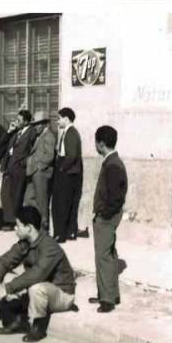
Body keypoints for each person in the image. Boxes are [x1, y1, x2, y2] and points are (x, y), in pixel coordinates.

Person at [0, 206, 77, 342]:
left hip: (62, 294)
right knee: (10, 280)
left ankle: (38, 327)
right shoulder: (26, 243)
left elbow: (37, 274)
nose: (15, 229)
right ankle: (20, 321)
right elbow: (5, 260)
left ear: (28, 228)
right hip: (43, 289)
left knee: (36, 288)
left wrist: (7, 289)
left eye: (18, 226)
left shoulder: (49, 246)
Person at [89, 126, 128, 313]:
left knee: (103, 256)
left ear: (101, 144)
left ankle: (107, 300)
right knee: (110, 255)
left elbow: (116, 197)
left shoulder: (113, 164)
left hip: (107, 218)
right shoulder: (112, 161)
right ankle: (110, 293)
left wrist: (104, 214)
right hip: (108, 216)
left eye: (96, 142)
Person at [0, 110, 36, 231]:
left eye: (19, 120)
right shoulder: (16, 132)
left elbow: (33, 150)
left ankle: (12, 221)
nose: (17, 122)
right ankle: (8, 219)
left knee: (16, 195)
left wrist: (24, 162)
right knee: (5, 194)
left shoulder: (31, 132)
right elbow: (2, 142)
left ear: (26, 121)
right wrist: (9, 131)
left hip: (19, 168)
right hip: (9, 166)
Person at [51, 107, 83, 243]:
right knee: (69, 203)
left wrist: (62, 168)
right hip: (71, 172)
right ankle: (70, 232)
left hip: (67, 173)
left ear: (66, 119)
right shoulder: (69, 132)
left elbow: (71, 156)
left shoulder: (70, 133)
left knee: (61, 203)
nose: (57, 122)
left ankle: (61, 234)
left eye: (59, 119)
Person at [23, 111, 57, 232]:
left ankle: (44, 229)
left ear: (44, 124)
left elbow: (50, 156)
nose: (35, 127)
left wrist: (38, 167)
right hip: (33, 173)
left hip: (41, 174)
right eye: (34, 124)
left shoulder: (49, 135)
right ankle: (35, 224)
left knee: (42, 202)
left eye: (37, 124)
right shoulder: (40, 135)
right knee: (28, 199)